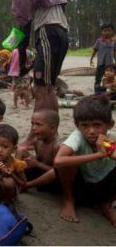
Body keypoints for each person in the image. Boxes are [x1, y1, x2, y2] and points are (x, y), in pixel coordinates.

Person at [0, 0, 69, 111]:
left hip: (48, 32)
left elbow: (24, 24)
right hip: (60, 32)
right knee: (48, 87)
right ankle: (47, 128)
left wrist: (22, 61)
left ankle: (43, 128)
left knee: (41, 88)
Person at [54, 95, 116, 226]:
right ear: (77, 125)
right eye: (85, 125)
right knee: (67, 160)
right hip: (81, 184)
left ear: (110, 125)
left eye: (97, 125)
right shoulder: (78, 136)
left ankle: (107, 204)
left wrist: (111, 152)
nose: (91, 131)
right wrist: (99, 155)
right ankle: (68, 200)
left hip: (105, 186)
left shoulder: (113, 139)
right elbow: (58, 161)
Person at [17, 109, 60, 191]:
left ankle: (26, 185)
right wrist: (30, 161)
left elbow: (59, 173)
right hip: (38, 172)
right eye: (32, 124)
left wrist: (37, 164)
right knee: (21, 150)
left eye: (38, 124)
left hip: (50, 180)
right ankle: (14, 175)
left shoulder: (57, 146)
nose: (33, 128)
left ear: (52, 128)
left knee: (55, 172)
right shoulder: (37, 141)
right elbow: (40, 158)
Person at [90, 23, 116, 93]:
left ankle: (109, 92)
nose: (107, 32)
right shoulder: (99, 41)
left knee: (110, 79)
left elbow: (114, 52)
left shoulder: (113, 42)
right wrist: (91, 59)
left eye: (109, 30)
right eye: (105, 30)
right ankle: (97, 93)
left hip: (110, 65)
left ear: (112, 31)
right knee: (98, 79)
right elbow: (94, 50)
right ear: (102, 32)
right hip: (100, 64)